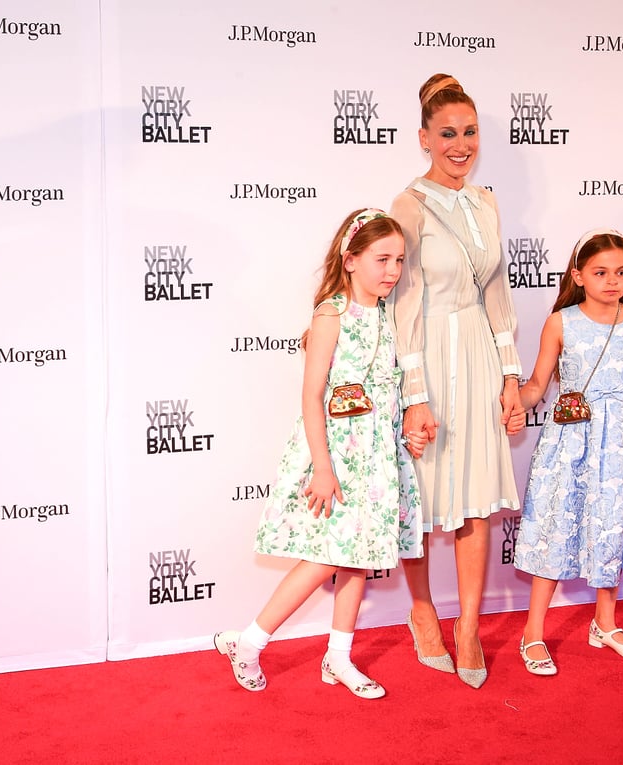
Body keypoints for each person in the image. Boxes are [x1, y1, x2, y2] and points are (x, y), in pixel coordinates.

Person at [214, 208, 425, 699]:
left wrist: (403, 436)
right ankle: (248, 642)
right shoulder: (331, 313)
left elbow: (387, 387)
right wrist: (324, 469)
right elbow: (312, 396)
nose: (392, 270)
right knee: (323, 558)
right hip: (336, 454)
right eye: (382, 259)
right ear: (350, 260)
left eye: (399, 260)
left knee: (356, 559)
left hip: (376, 455)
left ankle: (338, 656)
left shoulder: (386, 314)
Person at [389, 73, 525, 689]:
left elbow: (495, 291)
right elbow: (404, 304)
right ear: (424, 138)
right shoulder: (408, 206)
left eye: (469, 132)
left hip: (477, 351)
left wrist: (511, 375)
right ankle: (423, 611)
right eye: (447, 133)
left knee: (475, 497)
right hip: (428, 358)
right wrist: (415, 394)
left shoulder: (487, 203)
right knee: (421, 497)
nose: (460, 144)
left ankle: (467, 625)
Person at [513, 228, 623, 676]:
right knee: (557, 527)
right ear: (579, 275)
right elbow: (539, 385)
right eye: (600, 272)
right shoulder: (562, 321)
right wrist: (511, 399)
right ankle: (533, 632)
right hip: (571, 441)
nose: (612, 280)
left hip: (622, 443)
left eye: (621, 272)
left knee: (611, 527)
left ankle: (605, 623)